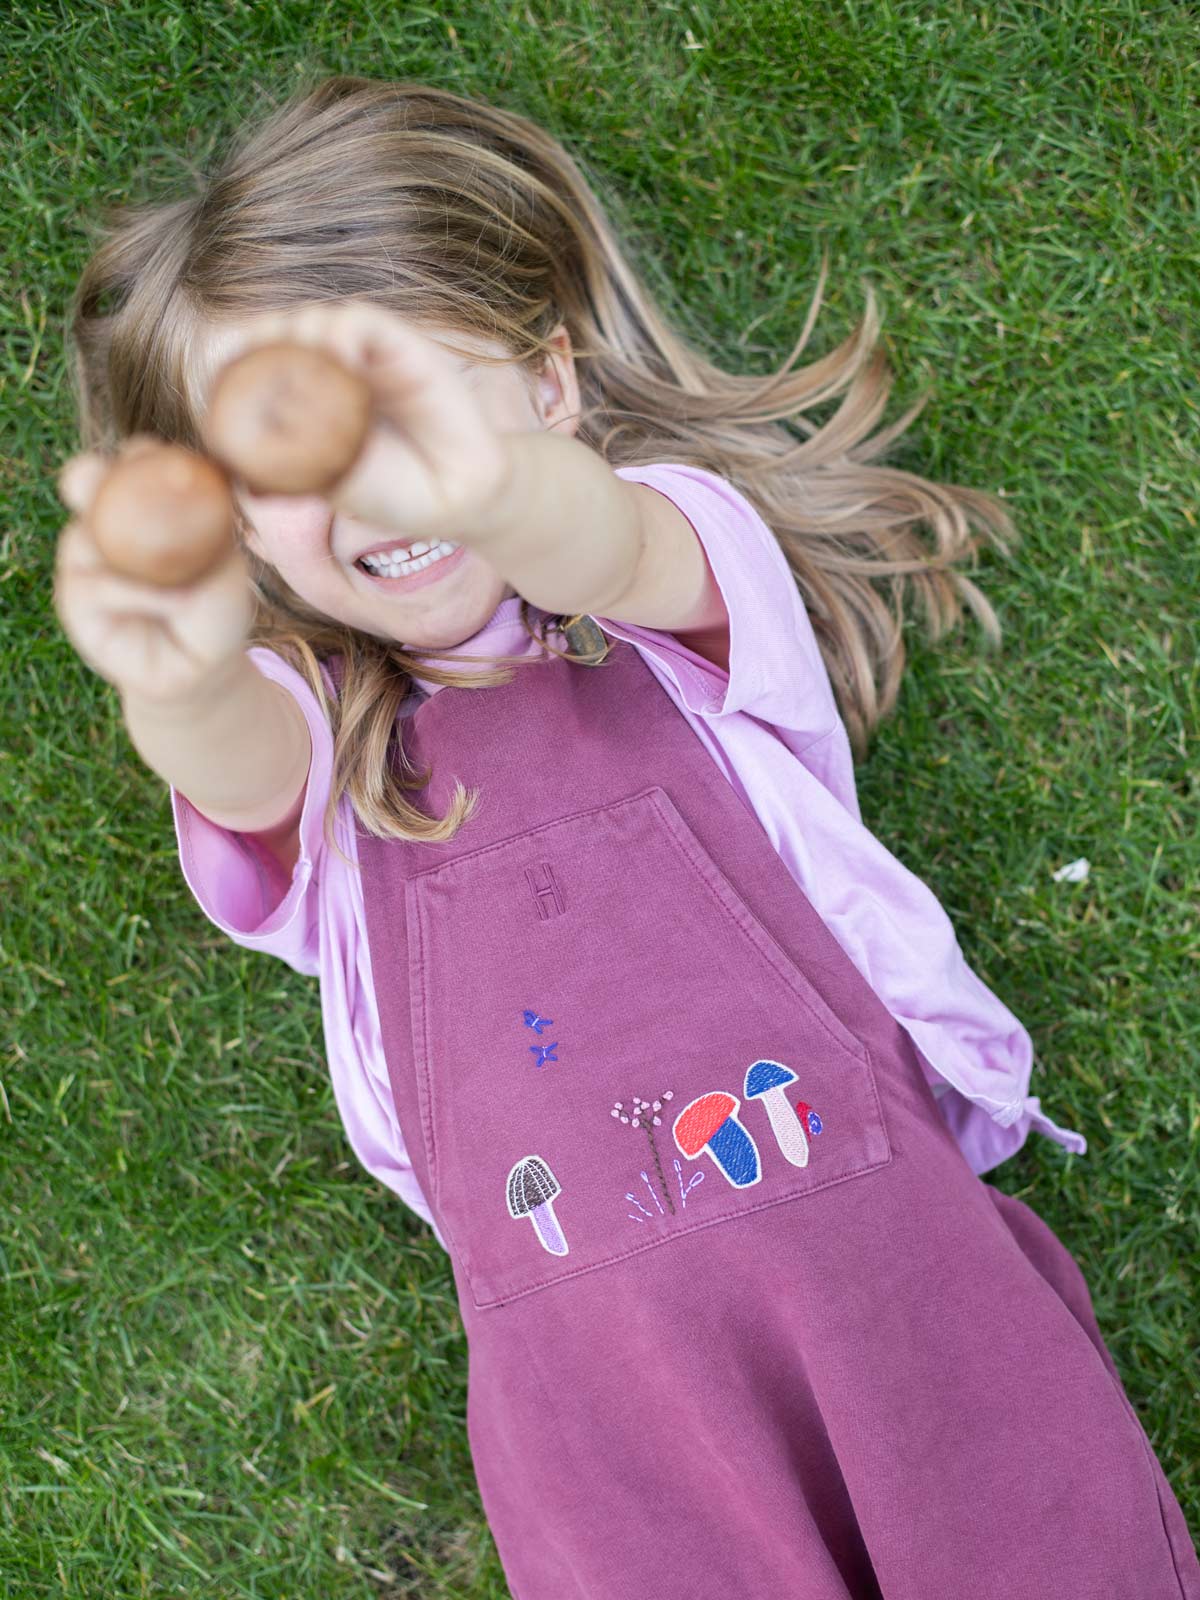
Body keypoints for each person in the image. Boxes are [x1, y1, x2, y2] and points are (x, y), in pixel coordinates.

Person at [52, 74, 1198, 1600]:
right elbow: (234, 762)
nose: (364, 481)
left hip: (882, 1262)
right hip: (597, 1394)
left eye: (404, 413)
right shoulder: (322, 740)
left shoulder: (674, 595)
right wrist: (175, 665)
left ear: (548, 387)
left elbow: (599, 537)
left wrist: (498, 491)